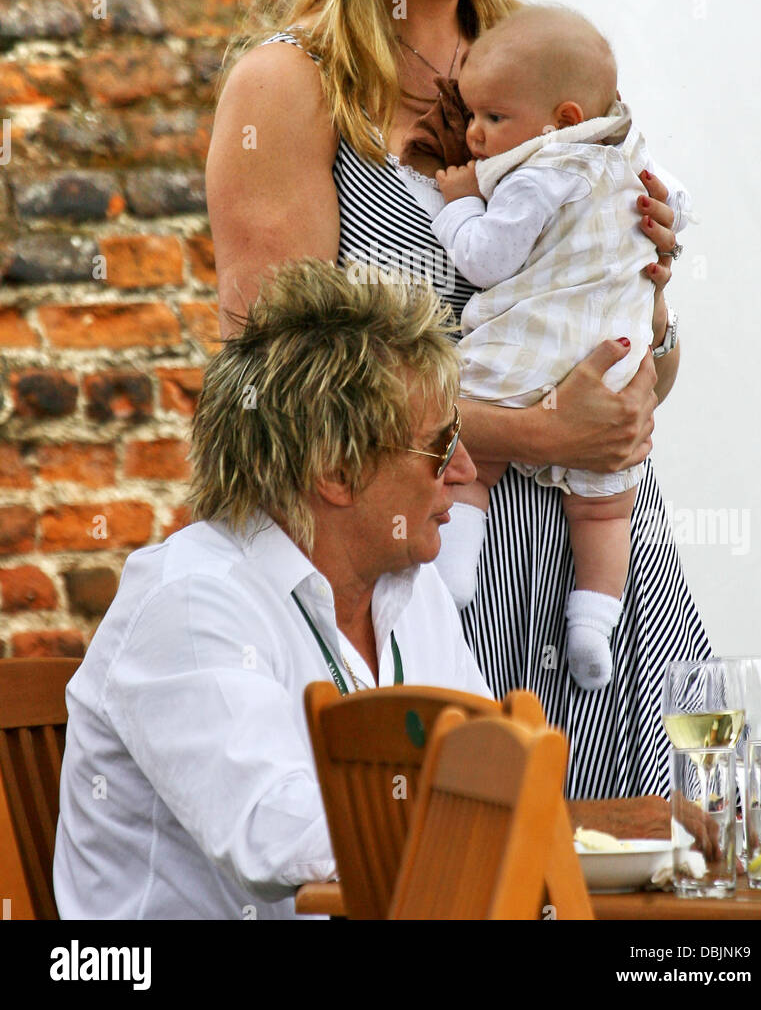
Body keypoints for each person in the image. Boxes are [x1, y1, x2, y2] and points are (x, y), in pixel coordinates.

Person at [205, 0, 710, 798]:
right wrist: (535, 428)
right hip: (428, 573)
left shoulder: (537, 53)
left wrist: (648, 314)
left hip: (601, 569)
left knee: (660, 906)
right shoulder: (289, 90)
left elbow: (637, 362)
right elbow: (274, 396)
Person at [53, 260, 490, 920]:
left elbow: (492, 763)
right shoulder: (192, 602)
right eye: (440, 443)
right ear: (337, 472)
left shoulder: (411, 586)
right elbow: (272, 836)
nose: (464, 470)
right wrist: (486, 817)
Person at [427, 3, 692, 692]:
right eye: (469, 115)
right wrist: (660, 239)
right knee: (605, 509)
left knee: (471, 461)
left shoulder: (538, 174)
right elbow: (678, 203)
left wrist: (457, 202)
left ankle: (456, 570)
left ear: (564, 120)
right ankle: (592, 622)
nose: (474, 134)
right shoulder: (629, 157)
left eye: (490, 118)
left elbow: (485, 260)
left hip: (527, 356)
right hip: (610, 360)